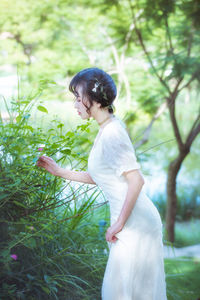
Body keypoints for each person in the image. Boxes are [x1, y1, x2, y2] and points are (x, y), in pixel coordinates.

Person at [37, 67, 167, 300]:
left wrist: (118, 224)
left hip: (136, 224)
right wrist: (58, 171)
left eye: (78, 98)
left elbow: (136, 180)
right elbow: (102, 177)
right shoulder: (107, 128)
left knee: (122, 292)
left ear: (95, 101)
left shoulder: (112, 133)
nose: (75, 105)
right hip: (130, 220)